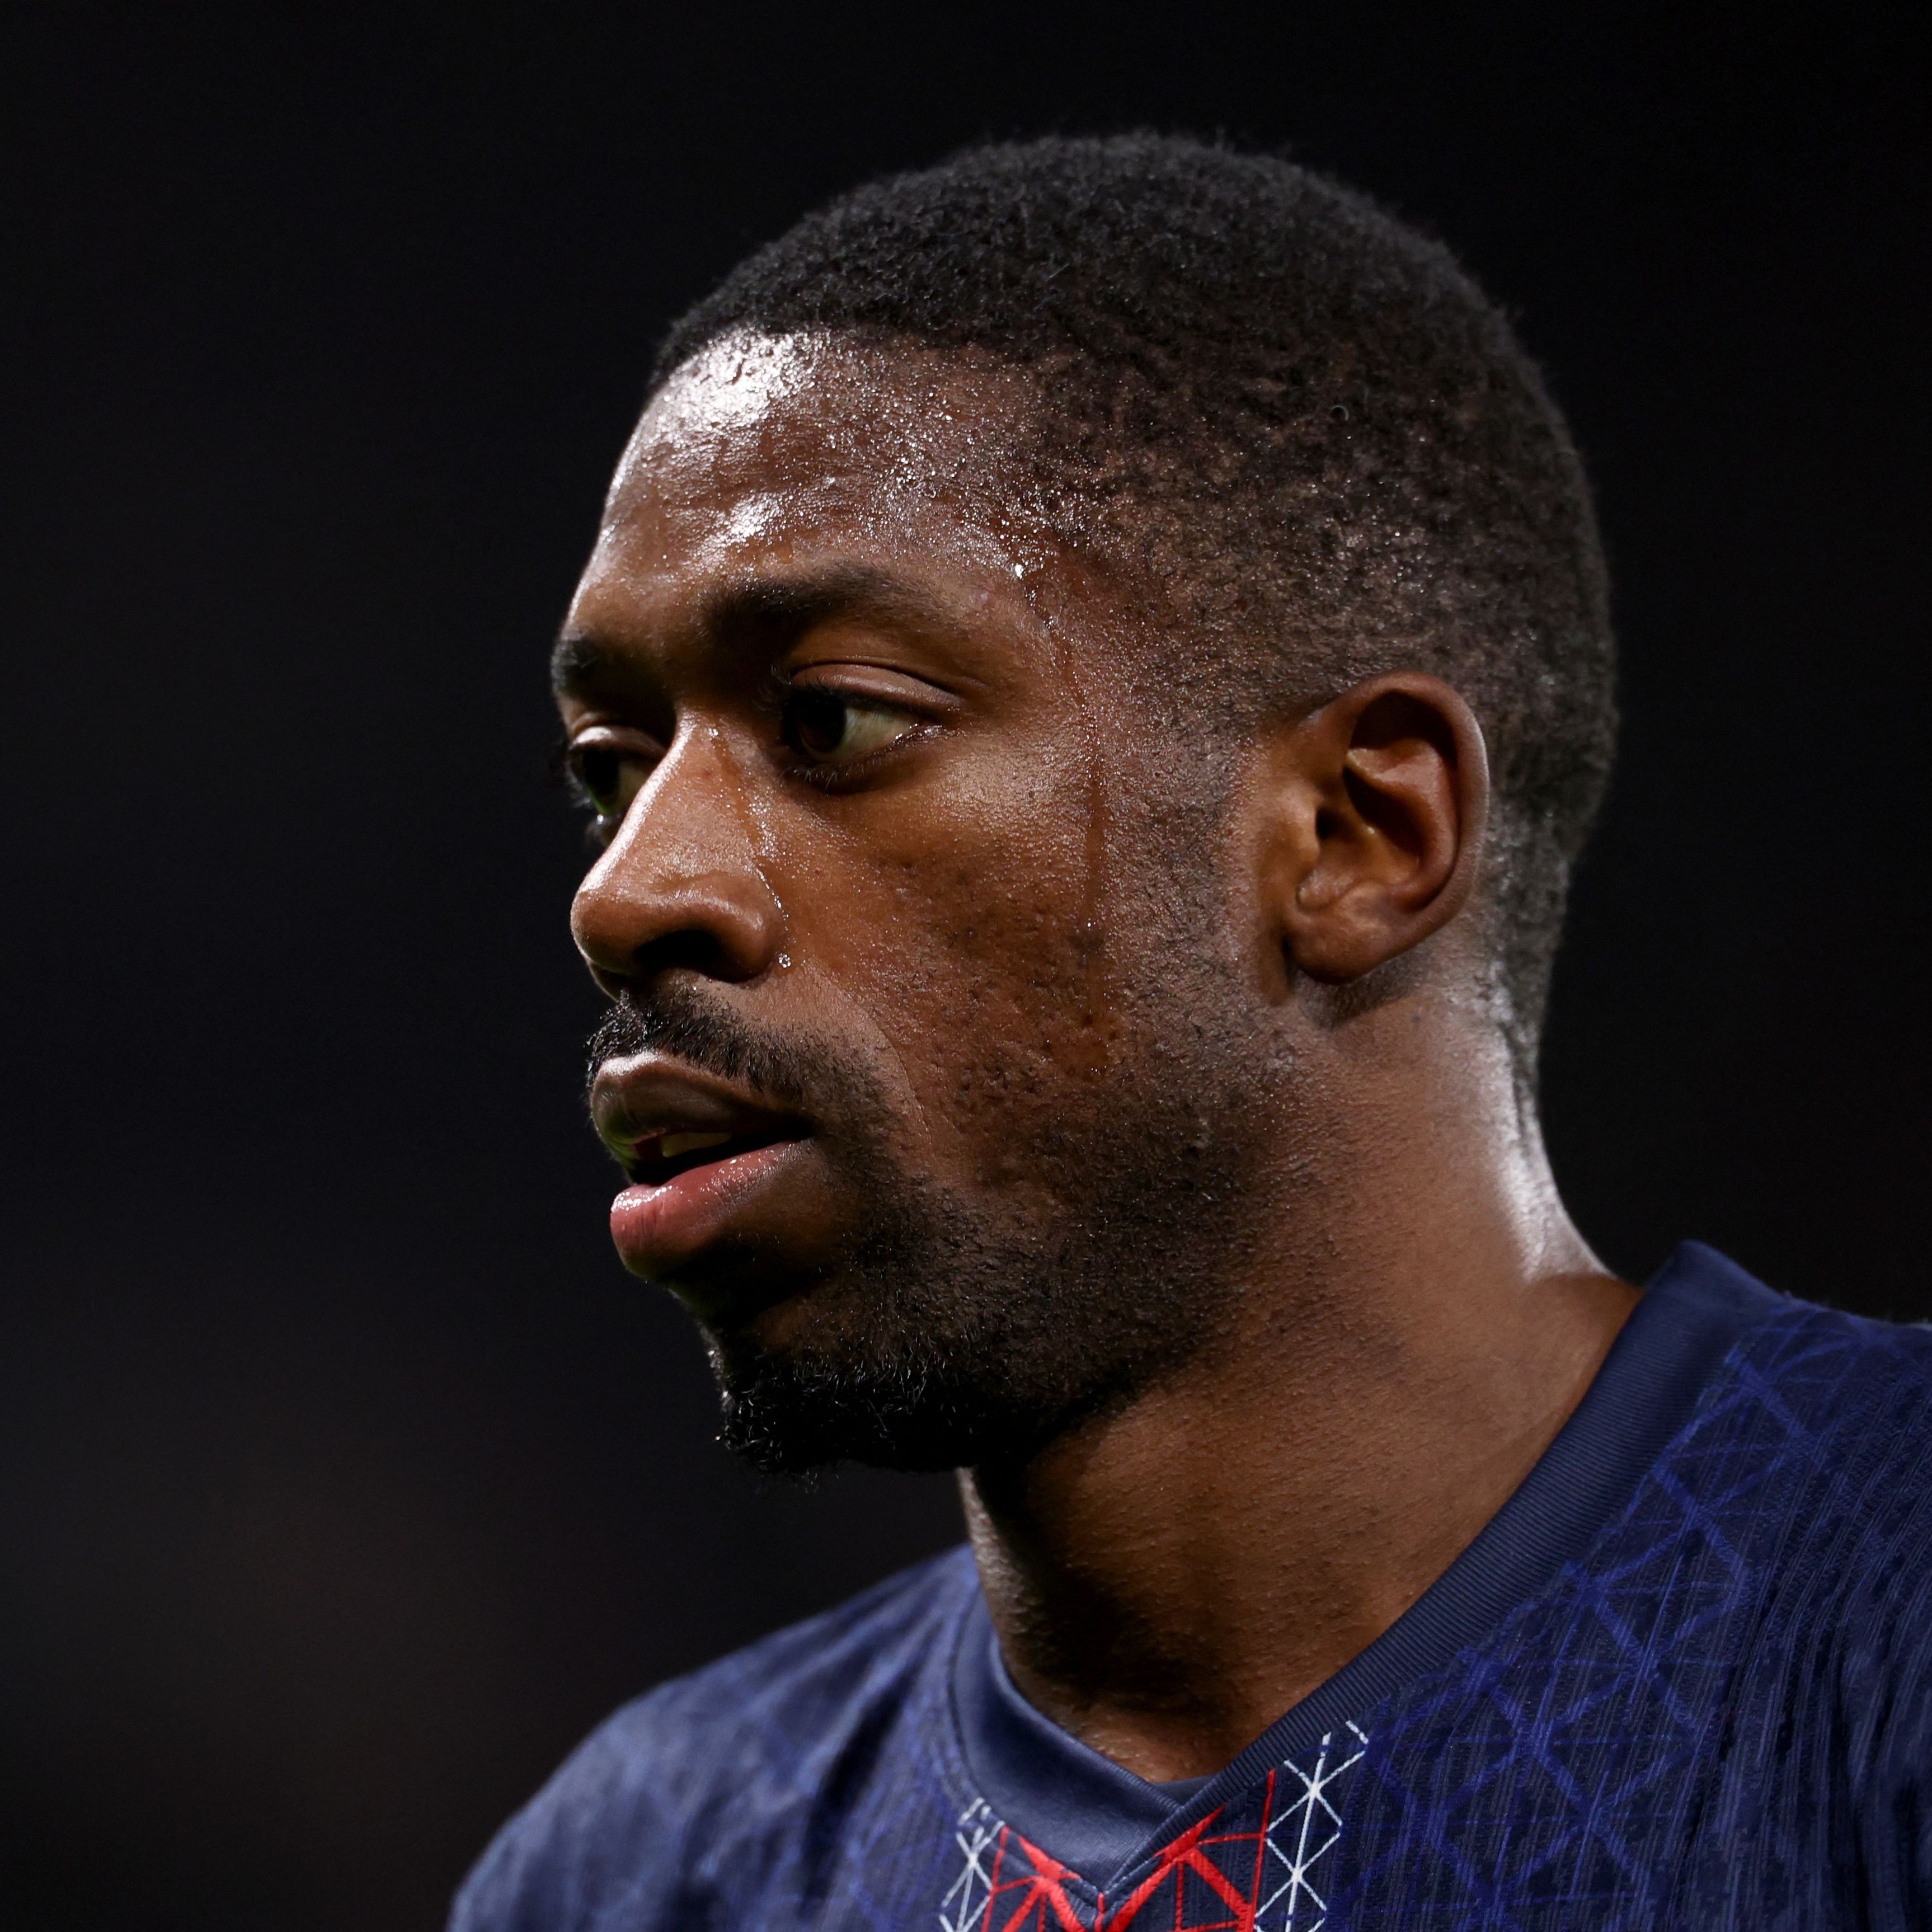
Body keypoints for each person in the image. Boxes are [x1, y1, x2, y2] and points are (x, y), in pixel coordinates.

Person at [452, 135, 1932, 1929]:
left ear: (1356, 836)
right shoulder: (638, 1873)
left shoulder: (1883, 1609)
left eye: (834, 720)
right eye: (609, 771)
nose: (624, 891)